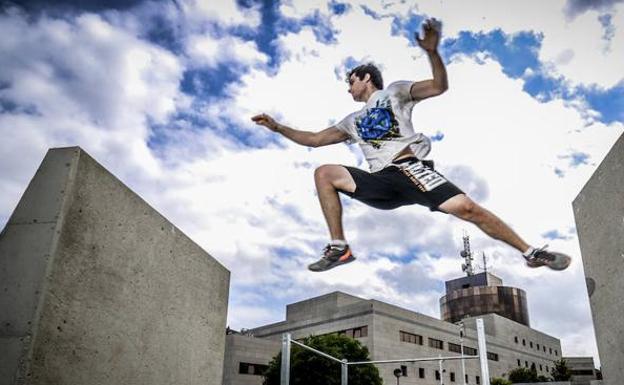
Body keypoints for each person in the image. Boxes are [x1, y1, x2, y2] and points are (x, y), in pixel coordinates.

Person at [251, 18, 571, 273]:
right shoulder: (351, 121)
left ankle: (530, 253)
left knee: (469, 209)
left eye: (350, 81)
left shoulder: (395, 92)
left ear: (365, 78)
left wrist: (432, 52)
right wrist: (278, 127)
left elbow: (438, 86)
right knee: (324, 173)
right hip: (381, 181)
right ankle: (339, 246)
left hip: (412, 170)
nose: (348, 88)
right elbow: (315, 140)